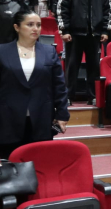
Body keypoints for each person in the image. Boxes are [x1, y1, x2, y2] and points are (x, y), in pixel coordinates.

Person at [0, 10, 68, 159]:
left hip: (41, 117)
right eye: (30, 24)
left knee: (40, 162)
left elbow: (59, 86)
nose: (35, 29)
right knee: (10, 164)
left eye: (38, 25)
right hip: (8, 119)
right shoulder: (2, 52)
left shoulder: (49, 51)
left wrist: (62, 114)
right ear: (17, 27)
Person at [59, 0, 110, 105]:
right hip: (74, 35)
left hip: (94, 35)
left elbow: (107, 12)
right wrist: (65, 30)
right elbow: (62, 10)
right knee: (72, 66)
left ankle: (92, 96)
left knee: (94, 67)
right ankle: (68, 96)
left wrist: (105, 30)